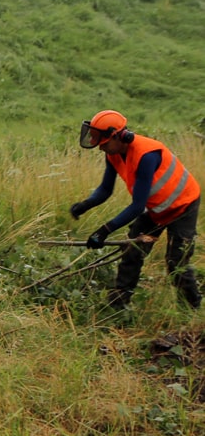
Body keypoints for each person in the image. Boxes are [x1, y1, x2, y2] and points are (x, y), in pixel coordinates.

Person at [69, 109, 201, 310]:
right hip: (157, 208)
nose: (100, 148)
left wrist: (104, 231)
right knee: (132, 250)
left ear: (120, 136)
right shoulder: (113, 154)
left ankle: (193, 309)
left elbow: (137, 206)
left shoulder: (147, 155)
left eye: (103, 144)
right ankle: (118, 305)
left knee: (177, 262)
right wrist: (85, 205)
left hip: (183, 206)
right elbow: (105, 189)